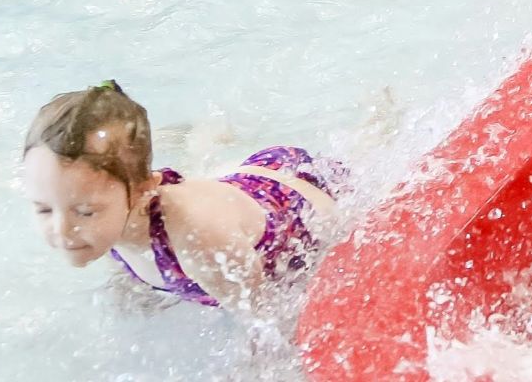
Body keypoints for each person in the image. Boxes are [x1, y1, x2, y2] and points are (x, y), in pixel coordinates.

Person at [20, 80, 345, 310]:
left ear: (142, 191)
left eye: (85, 212)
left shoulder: (199, 242)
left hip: (305, 208)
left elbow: (268, 319)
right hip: (236, 187)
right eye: (44, 210)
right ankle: (209, 135)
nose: (62, 230)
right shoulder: (99, 202)